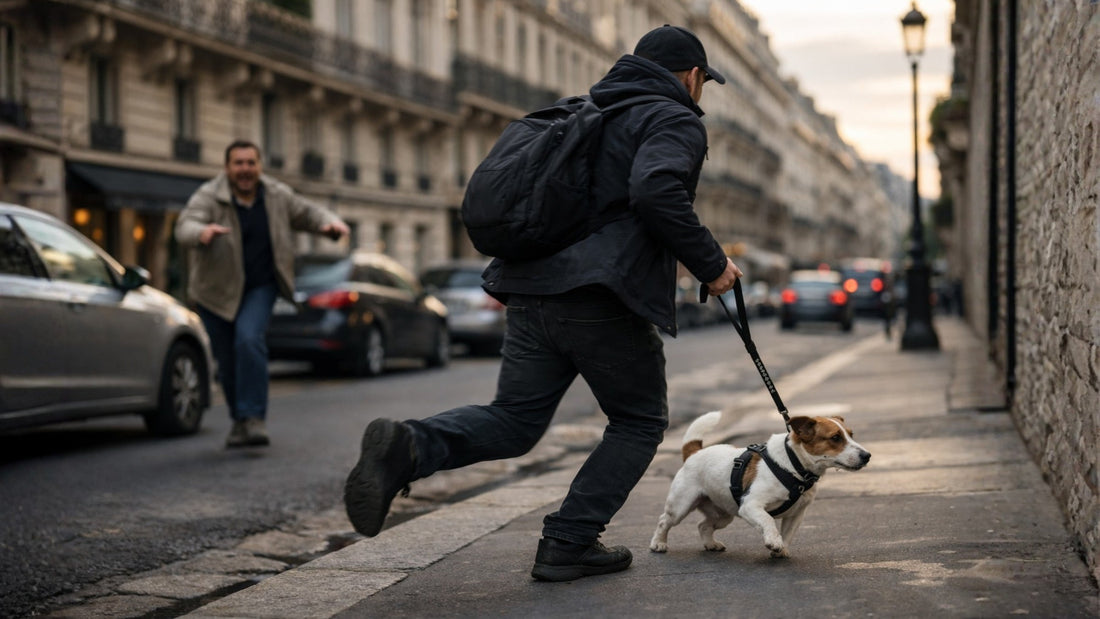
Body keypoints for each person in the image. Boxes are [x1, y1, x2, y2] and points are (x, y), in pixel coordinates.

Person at [343, 25, 742, 581]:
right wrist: (714, 265)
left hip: (528, 288)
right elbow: (656, 190)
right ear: (692, 77)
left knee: (515, 419)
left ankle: (411, 444)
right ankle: (569, 541)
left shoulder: (578, 110)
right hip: (599, 294)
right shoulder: (671, 117)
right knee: (639, 419)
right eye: (703, 83)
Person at [176, 140, 349, 448]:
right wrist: (200, 233)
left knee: (248, 339)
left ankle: (254, 418)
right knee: (227, 362)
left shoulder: (276, 195)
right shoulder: (210, 195)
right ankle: (239, 421)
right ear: (227, 168)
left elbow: (307, 212)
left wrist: (329, 223)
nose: (245, 169)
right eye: (238, 163)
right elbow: (185, 224)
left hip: (260, 286)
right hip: (214, 292)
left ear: (259, 166)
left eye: (251, 163)